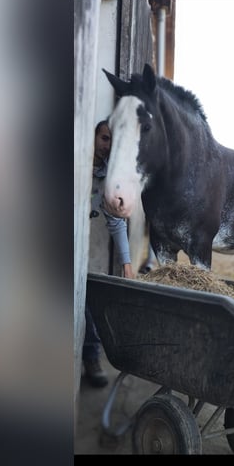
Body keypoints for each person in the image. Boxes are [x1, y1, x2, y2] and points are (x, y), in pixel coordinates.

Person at [82, 119, 134, 387]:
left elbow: (116, 221)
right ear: (92, 135)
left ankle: (91, 357)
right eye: (104, 138)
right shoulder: (75, 165)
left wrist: (126, 263)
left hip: (85, 254)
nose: (107, 146)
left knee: (89, 303)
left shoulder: (107, 179)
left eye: (112, 141)